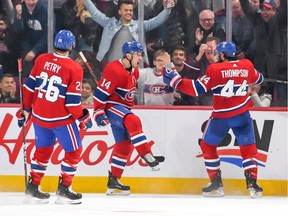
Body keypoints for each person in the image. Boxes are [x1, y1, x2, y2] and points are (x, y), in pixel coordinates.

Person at [162, 41, 264, 198]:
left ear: (223, 55)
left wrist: (176, 81)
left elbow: (196, 89)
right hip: (242, 115)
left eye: (217, 53)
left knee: (207, 145)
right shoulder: (247, 64)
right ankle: (253, 183)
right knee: (248, 147)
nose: (215, 56)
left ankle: (216, 182)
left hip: (222, 117)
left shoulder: (215, 69)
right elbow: (259, 79)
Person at [15, 29, 92, 204]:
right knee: (74, 151)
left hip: (40, 118)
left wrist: (25, 109)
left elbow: (28, 88)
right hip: (61, 120)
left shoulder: (41, 59)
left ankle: (33, 187)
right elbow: (72, 103)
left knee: (42, 151)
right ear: (71, 46)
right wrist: (83, 117)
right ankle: (64, 189)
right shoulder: (74, 67)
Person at [93, 40, 160, 196]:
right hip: (111, 107)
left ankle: (113, 181)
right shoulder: (113, 69)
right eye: (138, 54)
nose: (141, 57)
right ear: (128, 55)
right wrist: (98, 112)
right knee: (133, 121)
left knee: (124, 145)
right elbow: (100, 94)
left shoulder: (134, 71)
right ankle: (146, 154)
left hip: (123, 110)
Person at [77, 0, 174, 65]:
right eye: (126, 10)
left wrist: (167, 9)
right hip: (112, 66)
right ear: (119, 11)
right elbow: (95, 13)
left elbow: (157, 21)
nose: (129, 12)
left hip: (132, 67)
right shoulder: (109, 23)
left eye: (130, 10)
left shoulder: (140, 26)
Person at [240, 0, 287, 107]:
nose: (265, 12)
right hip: (262, 71)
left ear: (275, 11)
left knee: (282, 103)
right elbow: (246, 7)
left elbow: (284, 8)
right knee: (262, 102)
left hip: (280, 72)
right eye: (263, 9)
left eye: (268, 9)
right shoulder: (258, 20)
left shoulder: (281, 21)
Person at [12, 0, 49, 77]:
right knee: (27, 71)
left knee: (42, 72)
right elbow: (17, 31)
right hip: (27, 45)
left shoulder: (45, 10)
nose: (31, 2)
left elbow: (48, 34)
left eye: (33, 0)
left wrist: (35, 50)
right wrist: (18, 17)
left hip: (43, 46)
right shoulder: (20, 9)